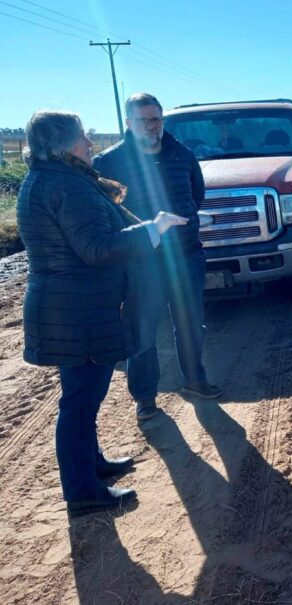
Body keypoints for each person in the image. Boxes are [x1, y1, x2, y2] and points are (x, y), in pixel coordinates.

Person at [16, 111, 187, 516]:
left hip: (72, 309)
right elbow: (97, 248)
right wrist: (154, 229)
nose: (91, 144)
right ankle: (81, 492)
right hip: (77, 312)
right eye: (83, 137)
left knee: (82, 397)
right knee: (80, 402)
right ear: (61, 145)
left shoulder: (51, 178)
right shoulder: (65, 185)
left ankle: (91, 466)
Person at [94, 93, 221, 421]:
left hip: (186, 256)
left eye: (157, 119)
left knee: (192, 324)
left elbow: (197, 194)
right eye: (144, 120)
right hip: (140, 262)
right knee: (143, 330)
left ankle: (195, 380)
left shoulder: (182, 154)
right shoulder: (109, 163)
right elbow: (102, 213)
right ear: (128, 123)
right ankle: (145, 398)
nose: (152, 126)